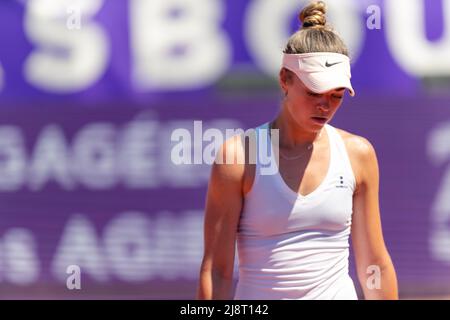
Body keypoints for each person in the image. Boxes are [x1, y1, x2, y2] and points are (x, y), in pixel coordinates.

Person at [197, 1, 398, 300]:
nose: (325, 105)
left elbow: (374, 263)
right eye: (314, 92)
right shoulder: (237, 157)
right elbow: (217, 270)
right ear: (284, 80)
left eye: (336, 95)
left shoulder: (358, 154)